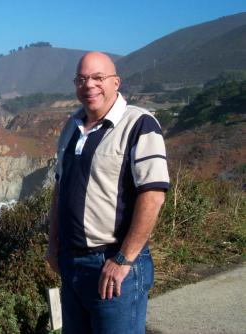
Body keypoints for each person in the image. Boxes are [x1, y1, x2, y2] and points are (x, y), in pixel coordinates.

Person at [46, 51, 169, 334]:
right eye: (82, 79)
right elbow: (60, 189)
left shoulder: (139, 124)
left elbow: (153, 196)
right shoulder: (71, 126)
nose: (89, 85)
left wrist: (124, 259)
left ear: (116, 82)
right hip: (73, 264)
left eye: (98, 78)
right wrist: (54, 245)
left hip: (112, 266)